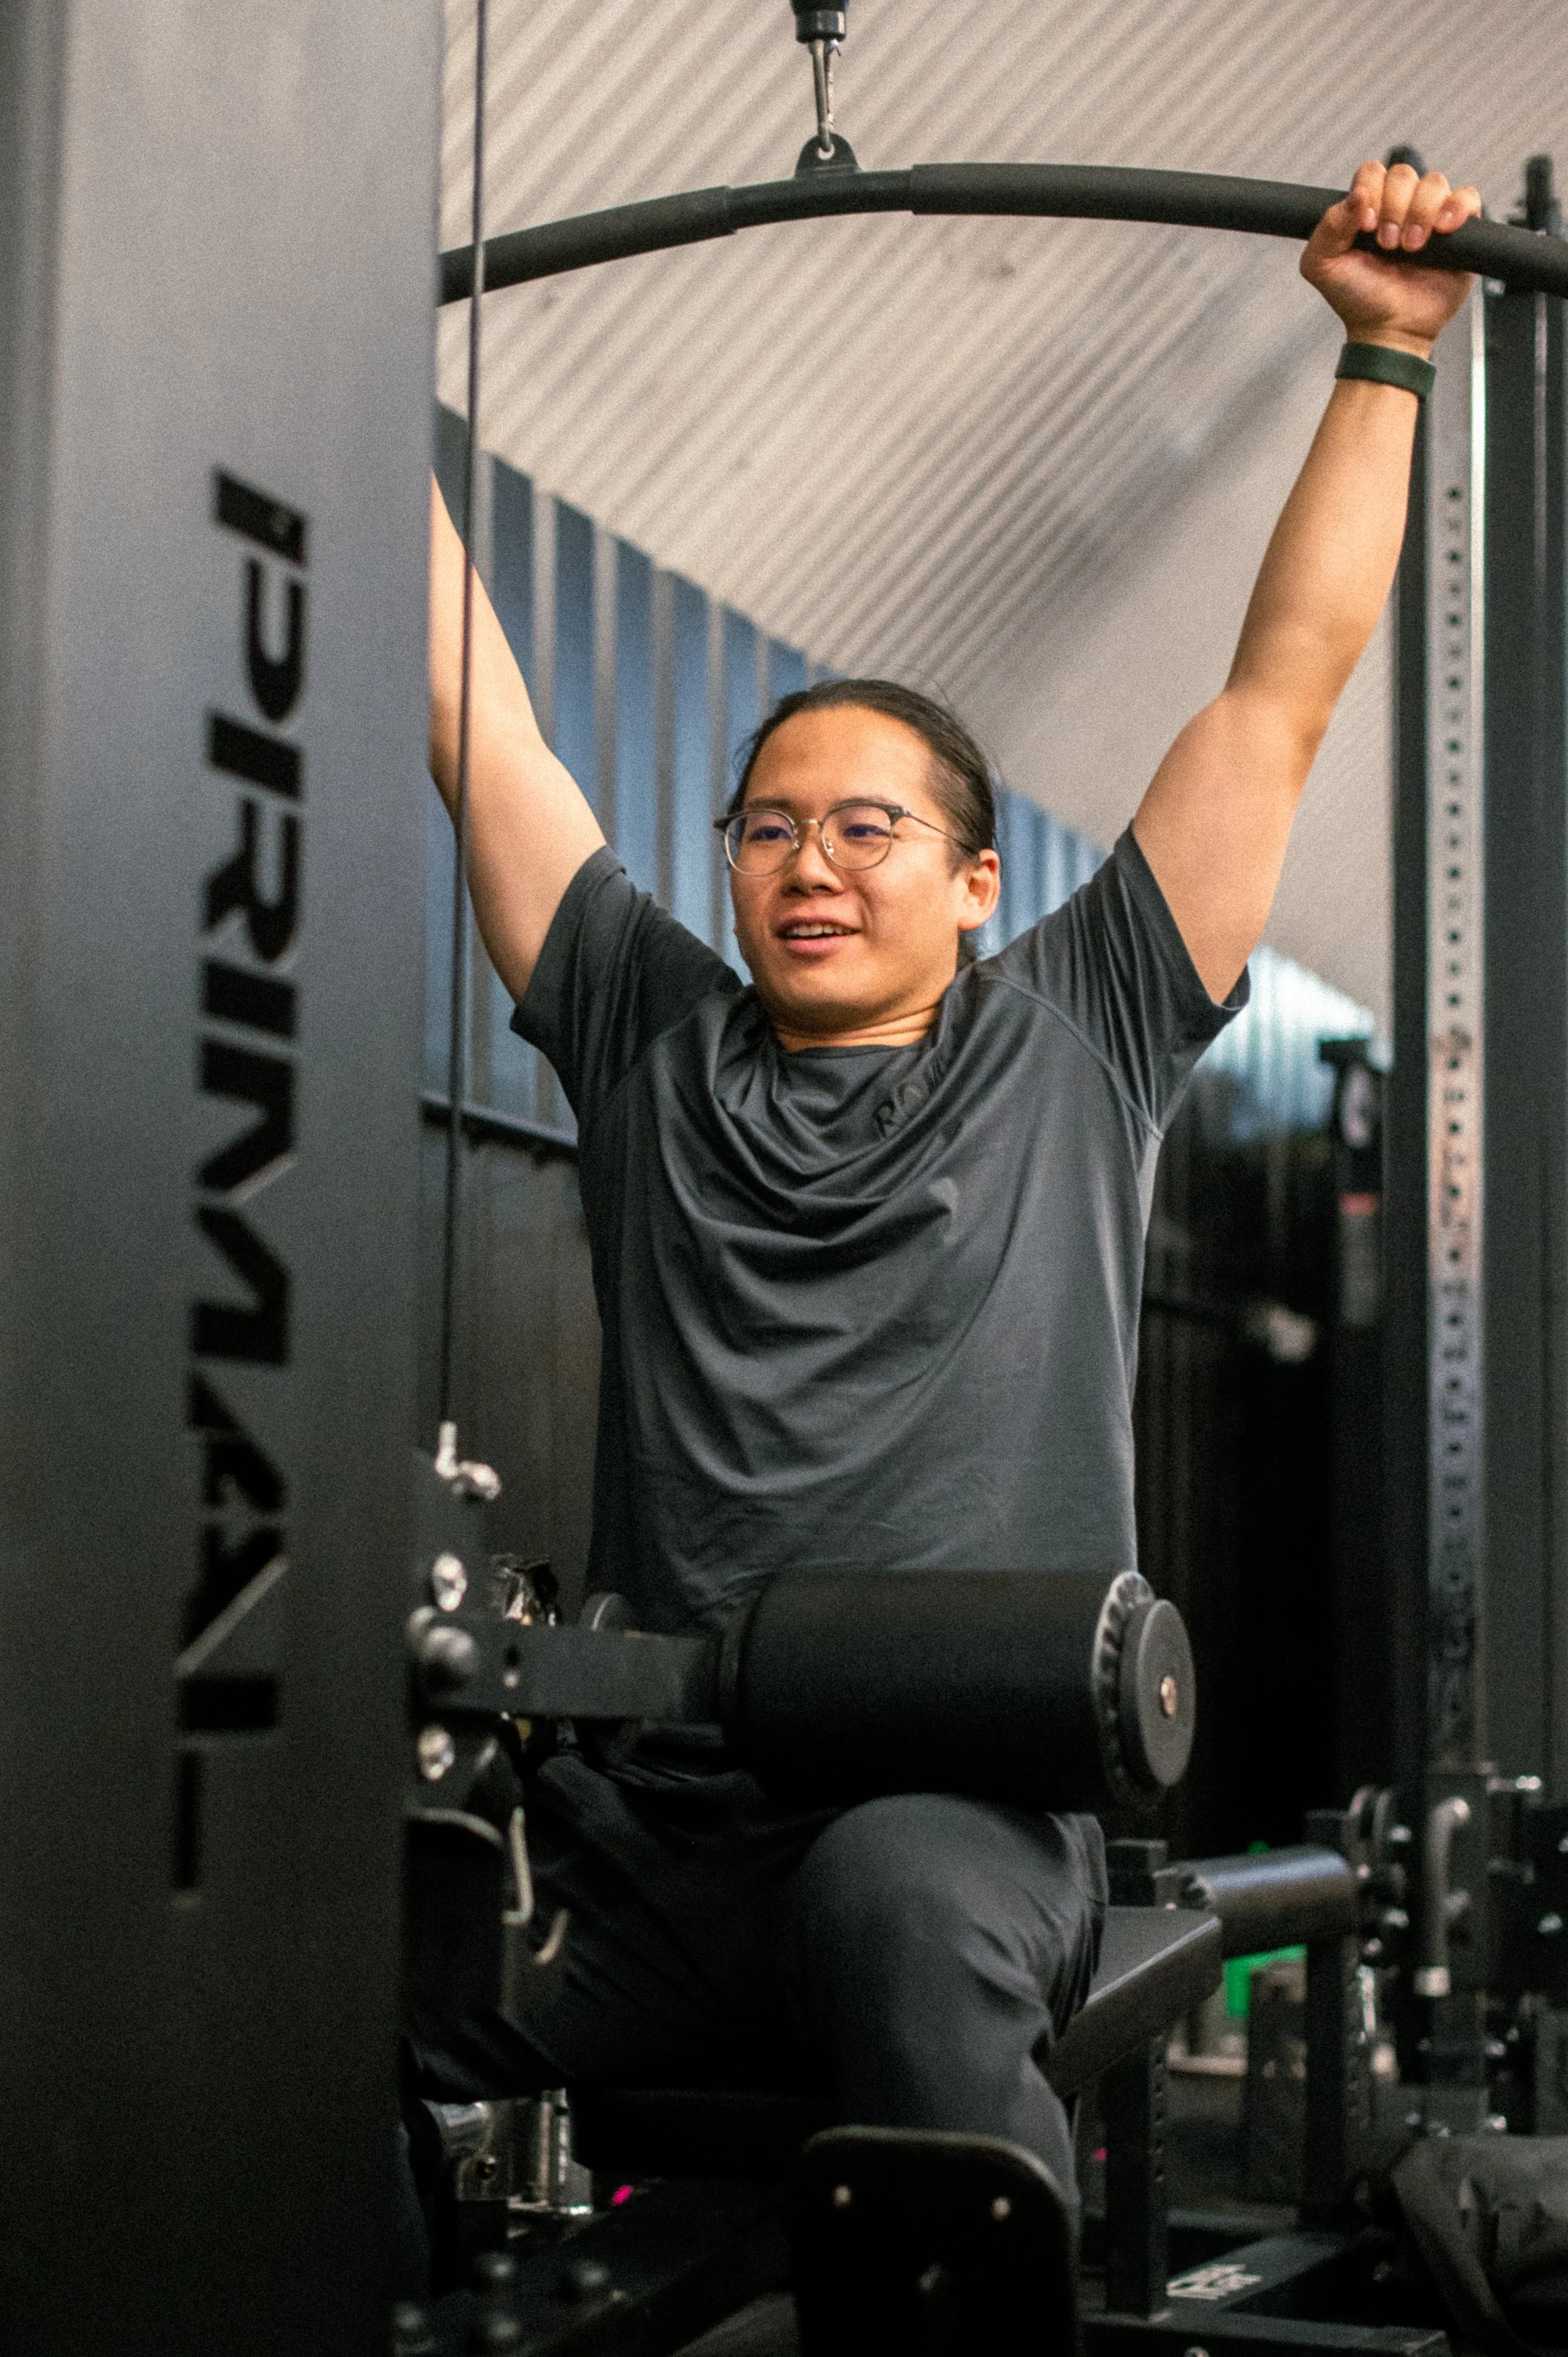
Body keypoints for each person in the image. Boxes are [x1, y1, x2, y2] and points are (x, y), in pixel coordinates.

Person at [408, 161, 1481, 2220]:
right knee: (304, 1986)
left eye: (870, 827)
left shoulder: (1078, 1024)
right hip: (661, 1831)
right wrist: (310, 339)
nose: (812, 863)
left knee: (899, 1919)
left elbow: (1281, 686)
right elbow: (473, 706)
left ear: (977, 881)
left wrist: (1382, 347)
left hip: (962, 1810)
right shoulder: (645, 1026)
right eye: (771, 828)